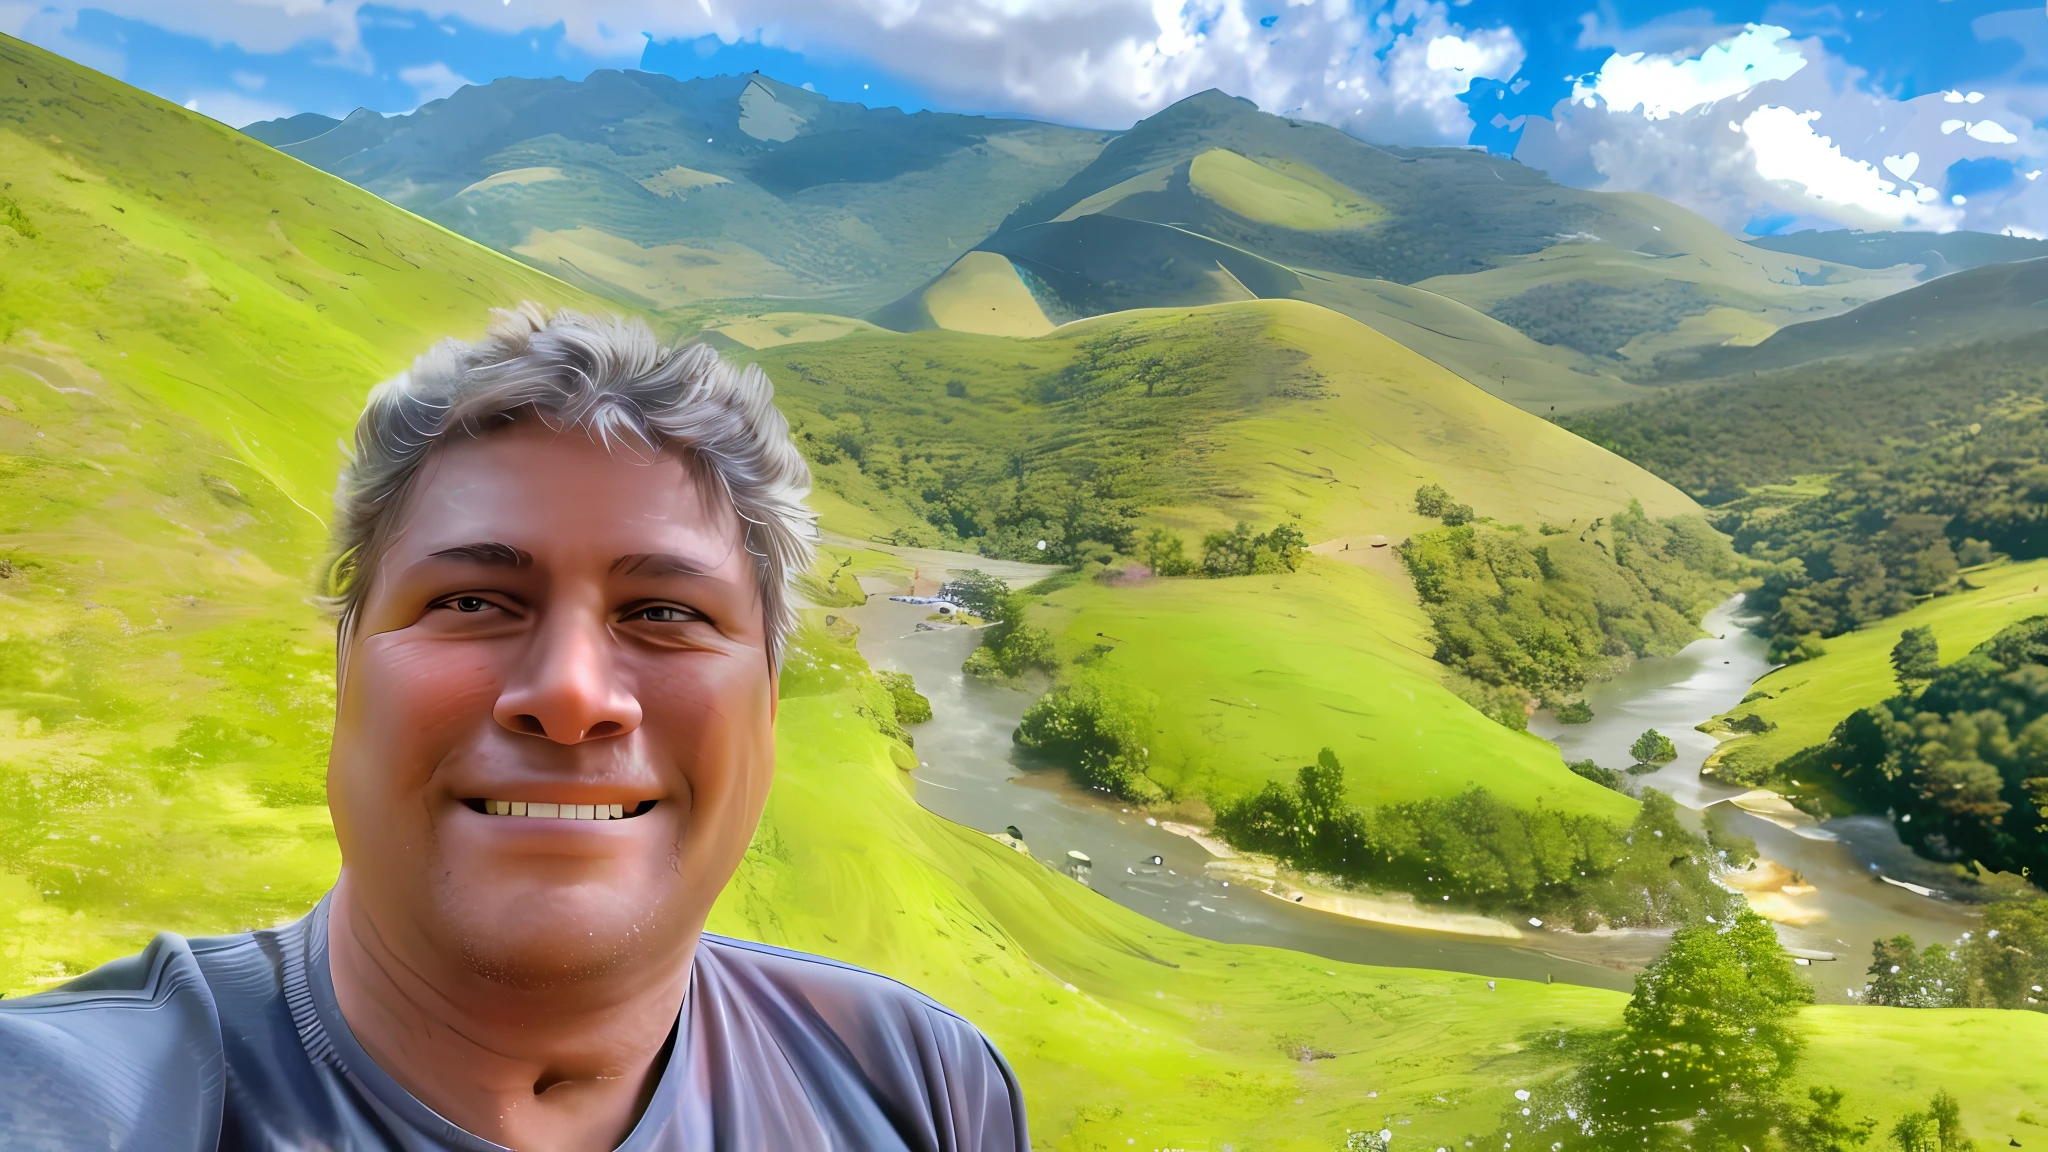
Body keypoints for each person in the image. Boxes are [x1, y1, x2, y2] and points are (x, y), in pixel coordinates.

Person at [0, 305, 1029, 1151]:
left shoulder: (923, 1086)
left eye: (664, 614)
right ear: (348, 670)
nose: (572, 694)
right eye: (473, 601)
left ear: (764, 707)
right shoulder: (82, 1103)